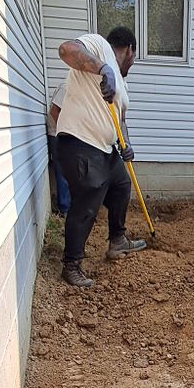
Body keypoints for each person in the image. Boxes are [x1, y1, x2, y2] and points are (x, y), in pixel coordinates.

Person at [56, 26, 146, 289]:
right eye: (134, 57)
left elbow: (121, 120)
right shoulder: (97, 45)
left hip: (105, 150)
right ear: (129, 50)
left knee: (121, 185)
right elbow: (66, 50)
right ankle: (71, 266)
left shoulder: (122, 84)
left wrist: (126, 143)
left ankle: (117, 240)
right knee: (87, 202)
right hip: (79, 142)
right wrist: (102, 68)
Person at [46, 84, 70, 217]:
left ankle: (67, 205)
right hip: (57, 134)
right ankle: (65, 209)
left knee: (67, 171)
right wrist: (65, 129)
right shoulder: (66, 88)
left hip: (63, 134)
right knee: (62, 171)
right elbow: (54, 112)